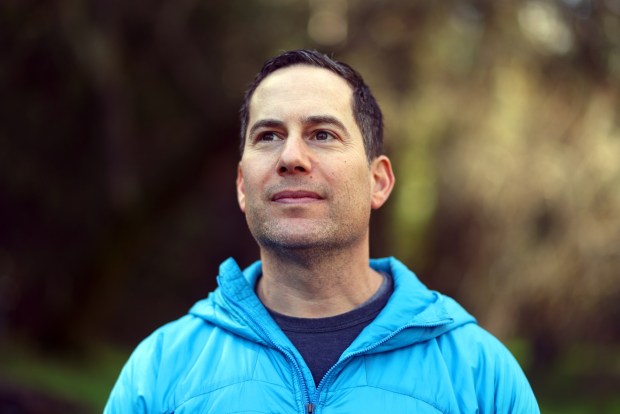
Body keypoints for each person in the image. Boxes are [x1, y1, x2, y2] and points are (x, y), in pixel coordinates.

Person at [104, 50, 539, 413]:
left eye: (323, 134)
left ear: (379, 181)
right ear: (242, 185)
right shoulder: (161, 371)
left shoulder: (480, 375)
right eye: (269, 135)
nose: (291, 156)